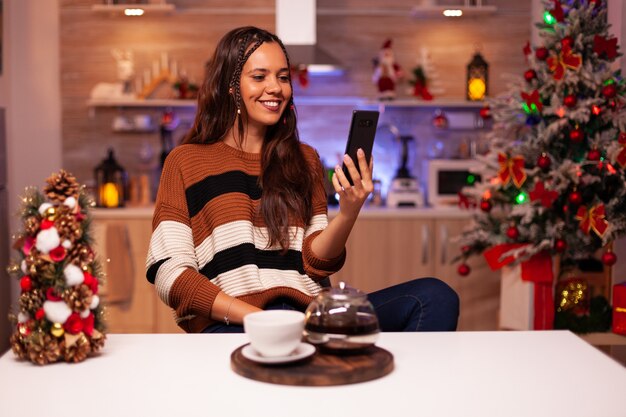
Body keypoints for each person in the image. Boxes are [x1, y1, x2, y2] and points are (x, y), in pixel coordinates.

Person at [146, 26, 459, 334]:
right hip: (234, 322)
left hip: (309, 316)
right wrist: (259, 318)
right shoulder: (186, 161)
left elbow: (316, 262)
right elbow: (169, 273)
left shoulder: (304, 158)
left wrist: (350, 211)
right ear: (230, 85)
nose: (276, 88)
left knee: (433, 297)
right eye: (259, 77)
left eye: (283, 77)